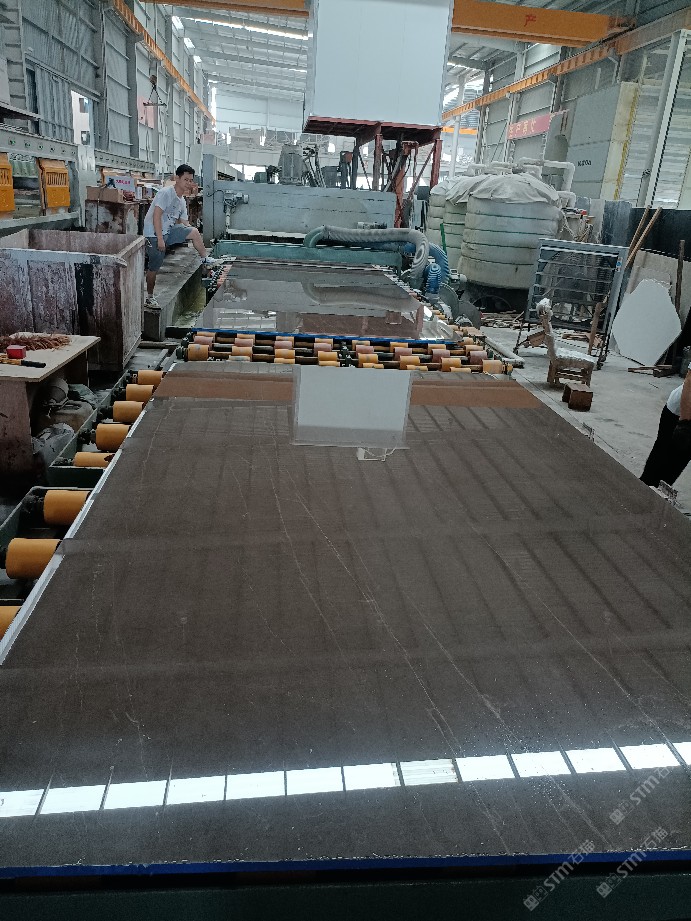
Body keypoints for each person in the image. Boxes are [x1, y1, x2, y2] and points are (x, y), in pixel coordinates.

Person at [143, 164, 216, 307]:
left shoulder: (181, 200)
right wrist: (160, 239)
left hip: (168, 231)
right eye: (185, 180)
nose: (188, 183)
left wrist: (190, 233)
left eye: (191, 180)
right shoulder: (166, 193)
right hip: (154, 234)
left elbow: (184, 222)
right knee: (154, 267)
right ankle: (149, 298)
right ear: (177, 178)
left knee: (194, 231)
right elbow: (156, 216)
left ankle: (205, 259)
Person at [640, 369, 691, 488]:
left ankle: (658, 493)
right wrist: (685, 423)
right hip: (680, 413)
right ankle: (643, 489)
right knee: (663, 455)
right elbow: (689, 381)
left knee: (678, 464)